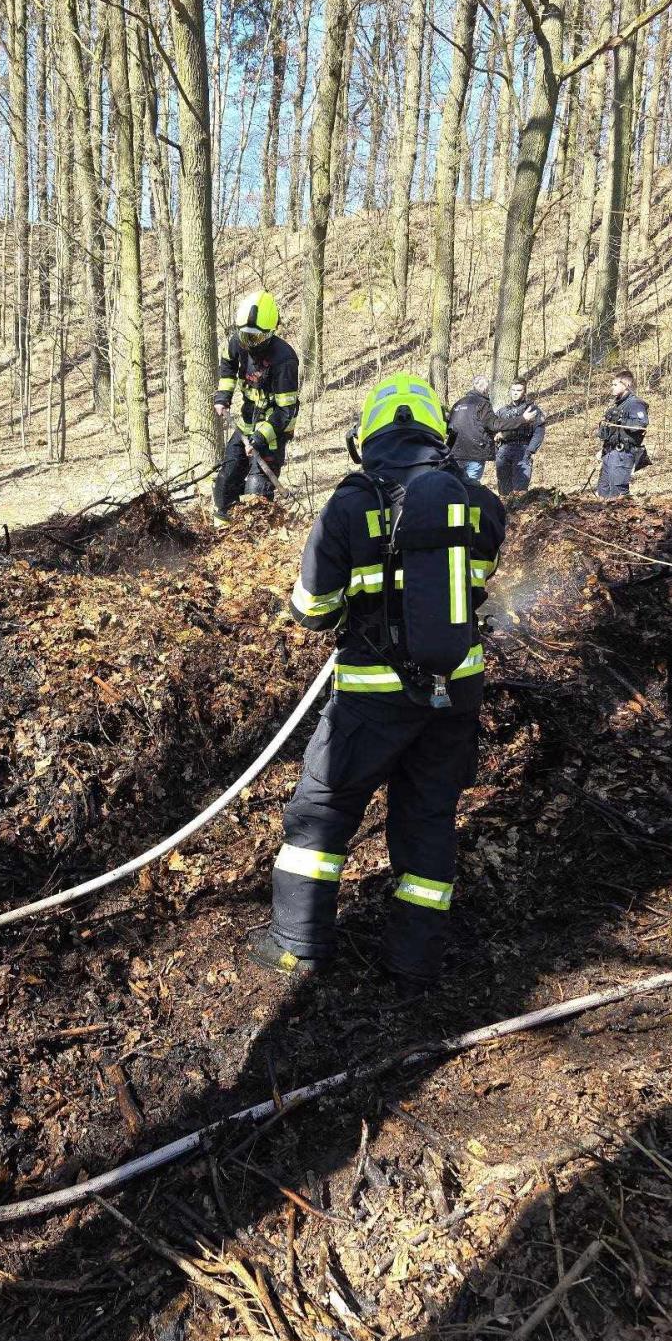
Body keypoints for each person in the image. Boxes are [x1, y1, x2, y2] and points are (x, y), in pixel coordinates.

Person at [249, 372, 506, 992]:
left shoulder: (350, 504)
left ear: (364, 438)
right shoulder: (481, 506)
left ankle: (296, 945)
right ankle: (413, 960)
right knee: (429, 816)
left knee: (324, 809)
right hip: (455, 692)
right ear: (440, 435)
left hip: (371, 696)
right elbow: (476, 585)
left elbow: (312, 608)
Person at [212, 292, 299, 529]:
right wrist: (223, 396)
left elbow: (286, 411)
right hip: (246, 422)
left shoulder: (284, 359)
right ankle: (221, 531)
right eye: (246, 336)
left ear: (270, 333)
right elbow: (228, 365)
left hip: (272, 431)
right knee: (226, 478)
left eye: (256, 337)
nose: (249, 343)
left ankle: (257, 537)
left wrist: (260, 439)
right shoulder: (237, 342)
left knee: (256, 491)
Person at [596, 368, 650, 498]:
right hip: (610, 452)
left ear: (627, 385)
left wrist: (622, 421)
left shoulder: (635, 404)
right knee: (603, 491)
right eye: (612, 384)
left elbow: (641, 424)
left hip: (623, 454)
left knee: (618, 495)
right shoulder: (618, 404)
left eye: (615, 384)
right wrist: (602, 450)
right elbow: (613, 432)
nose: (612, 387)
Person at [493, 380, 545, 496]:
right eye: (513, 390)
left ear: (524, 392)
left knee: (520, 491)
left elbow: (539, 431)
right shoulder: (502, 411)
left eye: (519, 390)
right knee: (504, 491)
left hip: (523, 450)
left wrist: (530, 450)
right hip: (503, 451)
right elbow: (493, 430)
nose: (515, 393)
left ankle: (520, 507)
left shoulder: (532, 410)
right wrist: (496, 449)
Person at [446, 377, 497, 483]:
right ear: (485, 389)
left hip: (456, 452)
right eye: (487, 389)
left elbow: (449, 427)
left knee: (455, 485)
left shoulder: (458, 403)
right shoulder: (483, 403)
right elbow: (492, 425)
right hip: (475, 453)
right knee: (470, 486)